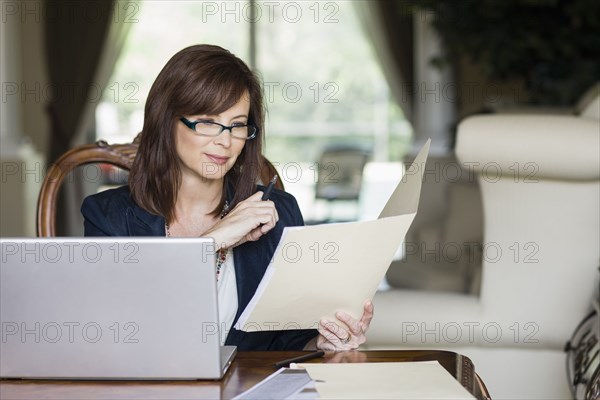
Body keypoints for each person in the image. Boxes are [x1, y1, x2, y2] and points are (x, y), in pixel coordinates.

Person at [81, 44, 373, 351]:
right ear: (166, 120)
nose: (225, 141)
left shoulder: (279, 214)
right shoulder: (108, 215)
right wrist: (211, 242)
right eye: (207, 122)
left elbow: (292, 341)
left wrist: (325, 342)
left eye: (237, 125)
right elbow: (110, 334)